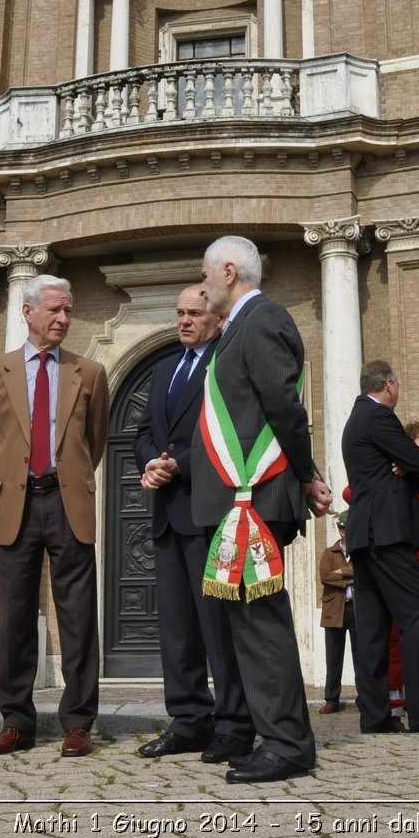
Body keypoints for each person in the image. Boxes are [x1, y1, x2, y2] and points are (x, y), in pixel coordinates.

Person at [192, 235, 333, 784]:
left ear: (229, 272)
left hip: (252, 497)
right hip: (233, 501)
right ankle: (274, 733)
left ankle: (288, 744)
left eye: (205, 276)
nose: (202, 287)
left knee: (262, 623)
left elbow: (284, 407)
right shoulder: (238, 330)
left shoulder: (265, 320)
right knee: (249, 626)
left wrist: (306, 474)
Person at [0, 274, 111, 759]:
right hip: (17, 503)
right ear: (27, 312)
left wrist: (65, 476)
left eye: (69, 311)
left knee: (78, 617)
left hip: (68, 501)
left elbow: (94, 442)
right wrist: (12, 482)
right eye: (54, 310)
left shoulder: (89, 373)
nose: (63, 319)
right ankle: (16, 721)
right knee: (15, 616)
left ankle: (78, 722)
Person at [134, 285, 249, 761]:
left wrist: (178, 462)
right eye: (179, 312)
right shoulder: (163, 370)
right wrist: (149, 464)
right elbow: (142, 432)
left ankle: (234, 723)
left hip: (209, 513)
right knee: (177, 630)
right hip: (166, 514)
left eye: (194, 313)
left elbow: (230, 430)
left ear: (216, 319)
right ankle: (187, 721)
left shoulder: (226, 365)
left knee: (218, 626)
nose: (184, 321)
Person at [341, 361, 419, 737]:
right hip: (389, 533)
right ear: (390, 385)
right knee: (418, 616)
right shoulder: (379, 417)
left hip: (365, 535)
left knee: (374, 629)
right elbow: (417, 461)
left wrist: (403, 462)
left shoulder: (354, 420)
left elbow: (406, 462)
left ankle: (376, 716)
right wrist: (407, 462)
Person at [318, 512, 356, 714]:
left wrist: (341, 573)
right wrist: (350, 576)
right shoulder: (328, 553)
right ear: (341, 531)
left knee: (362, 656)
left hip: (357, 609)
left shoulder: (360, 551)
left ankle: (365, 697)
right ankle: (332, 699)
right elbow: (325, 576)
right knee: (333, 658)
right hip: (334, 610)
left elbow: (362, 570)